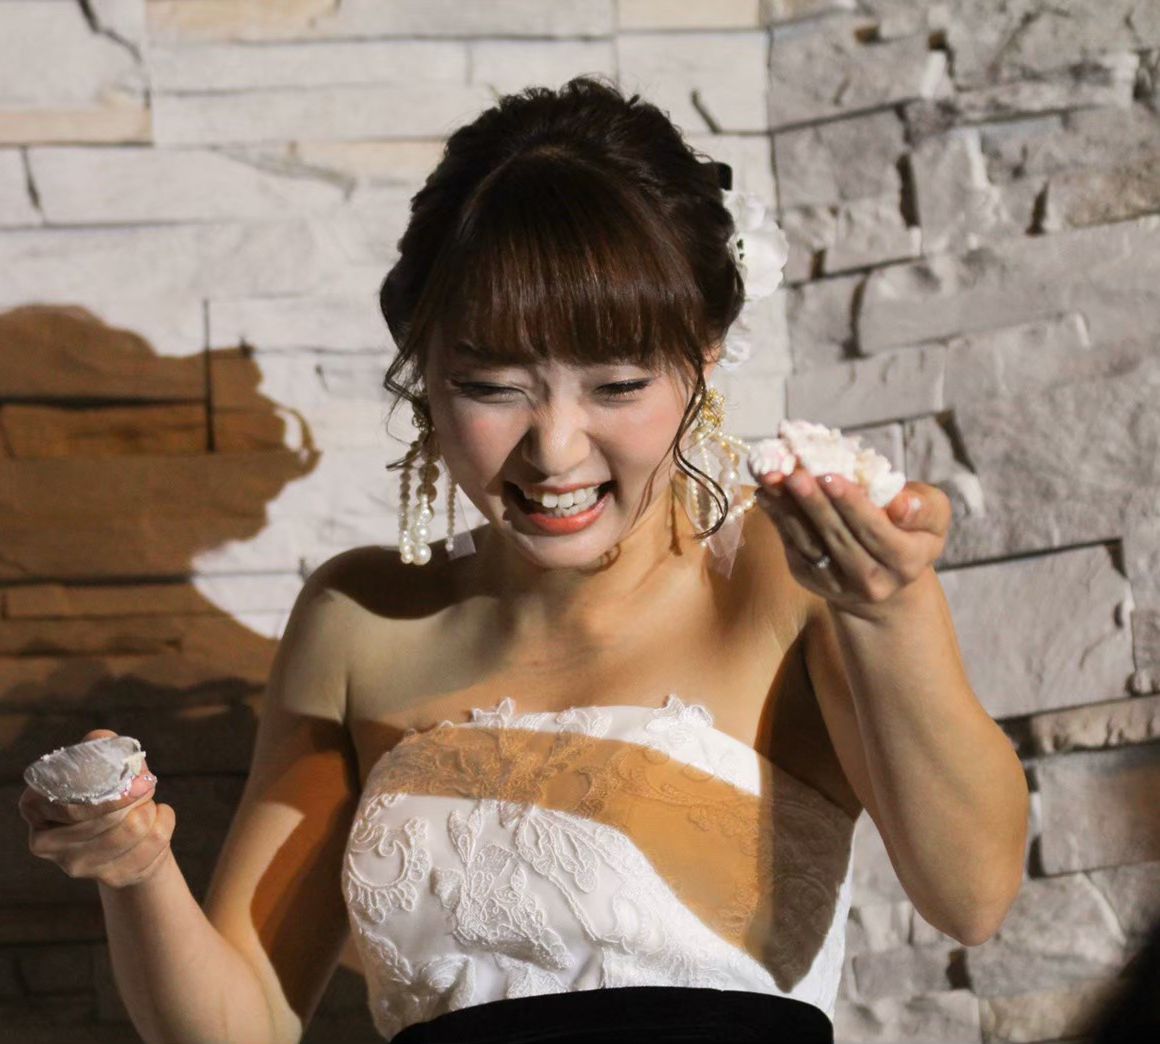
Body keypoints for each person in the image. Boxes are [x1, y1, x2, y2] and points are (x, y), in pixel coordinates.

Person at [18, 75, 1028, 1044]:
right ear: (423, 372)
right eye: (493, 386)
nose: (555, 449)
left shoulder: (788, 575)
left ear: (704, 360)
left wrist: (888, 611)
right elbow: (242, 1025)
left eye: (617, 385)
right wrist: (135, 872)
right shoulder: (358, 620)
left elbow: (972, 898)